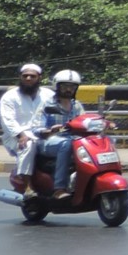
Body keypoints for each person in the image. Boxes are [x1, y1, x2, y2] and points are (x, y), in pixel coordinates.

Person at [0, 63, 53, 196]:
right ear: (20, 78)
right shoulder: (10, 96)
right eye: (25, 76)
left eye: (32, 76)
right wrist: (21, 135)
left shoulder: (49, 95)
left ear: (39, 78)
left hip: (44, 133)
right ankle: (27, 185)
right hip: (16, 136)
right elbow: (8, 120)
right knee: (28, 145)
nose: (28, 78)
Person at [38, 69, 87, 198]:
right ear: (57, 86)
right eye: (65, 86)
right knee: (66, 144)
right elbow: (36, 127)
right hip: (48, 141)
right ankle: (59, 188)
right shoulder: (47, 104)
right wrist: (50, 130)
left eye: (72, 87)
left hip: (73, 139)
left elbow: (84, 121)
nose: (68, 89)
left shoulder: (77, 105)